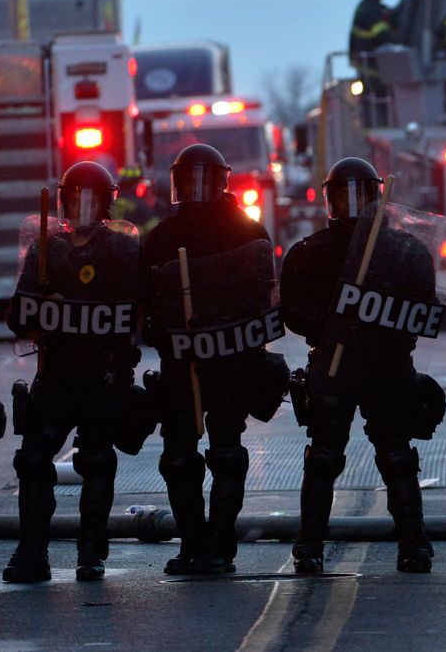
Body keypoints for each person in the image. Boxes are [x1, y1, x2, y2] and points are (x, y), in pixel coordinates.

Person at [281, 157, 442, 574]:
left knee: (392, 456)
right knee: (330, 457)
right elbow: (294, 312)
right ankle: (315, 546)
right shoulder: (312, 253)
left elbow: (423, 309)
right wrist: (336, 329)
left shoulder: (402, 250)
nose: (352, 205)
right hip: (346, 366)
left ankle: (411, 544)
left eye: (360, 196)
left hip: (377, 366)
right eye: (344, 195)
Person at [2, 162, 148, 583]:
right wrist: (44, 306)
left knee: (98, 460)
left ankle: (91, 554)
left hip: (102, 375)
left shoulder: (123, 250)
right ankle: (32, 554)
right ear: (63, 201)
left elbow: (138, 308)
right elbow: (18, 315)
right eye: (76, 198)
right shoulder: (47, 249)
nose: (83, 207)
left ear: (106, 203)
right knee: (33, 460)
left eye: (93, 199)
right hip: (56, 373)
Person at [141, 144, 280, 576]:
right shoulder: (163, 236)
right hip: (181, 367)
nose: (197, 189)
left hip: (230, 365)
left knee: (226, 453)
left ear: (223, 181)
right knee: (178, 457)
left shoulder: (248, 231)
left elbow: (263, 299)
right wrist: (164, 329)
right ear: (176, 183)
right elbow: (143, 302)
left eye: (206, 179)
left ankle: (220, 546)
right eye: (189, 180)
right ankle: (192, 543)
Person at [351, 0, 397, 128]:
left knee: (376, 97)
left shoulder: (371, 7)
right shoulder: (370, 10)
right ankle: (378, 126)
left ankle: (379, 124)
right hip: (371, 65)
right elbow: (382, 35)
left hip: (370, 64)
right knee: (376, 97)